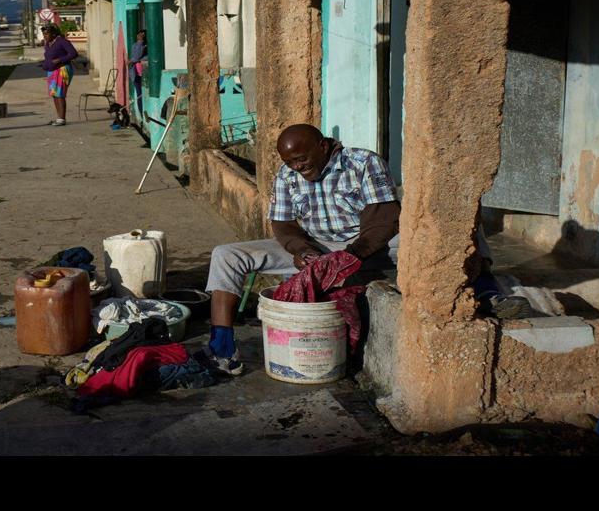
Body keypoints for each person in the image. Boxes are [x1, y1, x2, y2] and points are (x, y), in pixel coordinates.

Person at [200, 124, 516, 375]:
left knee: (460, 229)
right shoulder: (288, 175)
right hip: (319, 248)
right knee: (226, 254)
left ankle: (488, 291)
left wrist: (353, 254)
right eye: (291, 162)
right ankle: (223, 347)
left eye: (302, 159)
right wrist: (301, 250)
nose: (298, 167)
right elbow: (283, 225)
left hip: (374, 243)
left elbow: (383, 219)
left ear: (323, 145)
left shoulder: (362, 162)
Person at [40, 24, 78, 126]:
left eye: (47, 34)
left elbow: (73, 53)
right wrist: (45, 64)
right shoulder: (48, 43)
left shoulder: (62, 41)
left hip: (62, 70)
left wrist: (60, 60)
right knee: (54, 93)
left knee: (60, 93)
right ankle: (58, 118)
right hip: (52, 71)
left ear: (53, 34)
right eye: (44, 34)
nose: (45, 36)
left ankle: (62, 119)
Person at [128, 29, 149, 101]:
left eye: (143, 35)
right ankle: (141, 112)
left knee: (145, 95)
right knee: (139, 95)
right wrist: (140, 42)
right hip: (136, 73)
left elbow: (138, 58)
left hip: (145, 73)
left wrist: (133, 60)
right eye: (139, 35)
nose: (141, 36)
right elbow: (137, 55)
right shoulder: (135, 45)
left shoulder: (147, 45)